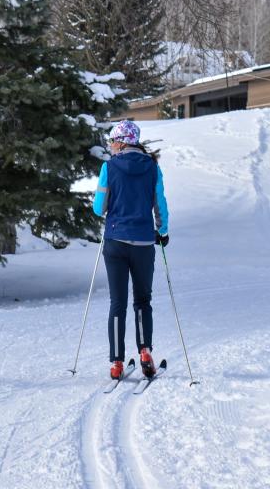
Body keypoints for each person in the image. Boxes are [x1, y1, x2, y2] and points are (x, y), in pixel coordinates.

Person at [92, 120, 169, 379]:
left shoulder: (109, 167)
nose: (111, 146)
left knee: (117, 303)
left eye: (113, 141)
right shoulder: (152, 167)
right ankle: (145, 351)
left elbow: (98, 207)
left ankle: (116, 363)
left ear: (122, 142)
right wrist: (163, 231)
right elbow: (160, 203)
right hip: (144, 243)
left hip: (115, 241)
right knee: (142, 301)